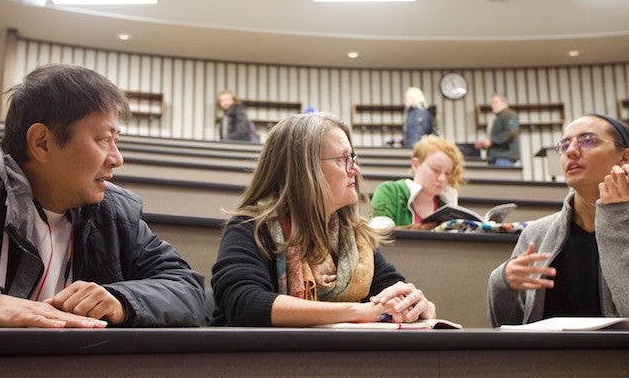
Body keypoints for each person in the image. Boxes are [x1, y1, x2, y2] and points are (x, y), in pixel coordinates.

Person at [0, 64, 206, 328]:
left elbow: (188, 289)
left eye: (116, 140)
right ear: (41, 142)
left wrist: (122, 300)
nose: (117, 158)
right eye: (103, 139)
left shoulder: (114, 212)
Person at [209, 112, 437, 327]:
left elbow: (392, 290)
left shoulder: (354, 237)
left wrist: (416, 305)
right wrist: (357, 312)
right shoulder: (251, 226)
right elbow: (243, 302)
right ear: (304, 169)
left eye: (353, 158)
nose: (355, 169)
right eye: (343, 159)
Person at [487, 114, 629, 327]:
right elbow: (508, 329)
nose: (571, 151)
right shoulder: (536, 234)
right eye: (564, 144)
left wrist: (617, 217)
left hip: (626, 359)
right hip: (545, 358)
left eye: (587, 140)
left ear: (624, 157)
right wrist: (503, 282)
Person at [369, 135, 465, 231]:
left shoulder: (448, 204)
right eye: (436, 170)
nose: (442, 178)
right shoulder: (389, 191)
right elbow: (377, 234)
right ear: (416, 165)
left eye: (447, 173)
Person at [475, 93, 520, 166]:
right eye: (492, 103)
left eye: (495, 102)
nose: (492, 105)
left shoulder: (510, 115)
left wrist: (491, 141)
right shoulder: (495, 119)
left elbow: (511, 132)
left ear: (504, 103)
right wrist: (485, 144)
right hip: (493, 157)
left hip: (504, 157)